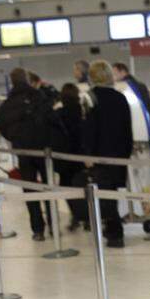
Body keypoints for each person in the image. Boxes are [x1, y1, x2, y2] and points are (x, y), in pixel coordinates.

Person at [80, 60, 133, 248]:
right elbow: (127, 129)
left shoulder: (89, 98)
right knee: (114, 192)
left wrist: (88, 154)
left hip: (100, 153)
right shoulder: (121, 97)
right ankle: (113, 228)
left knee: (105, 193)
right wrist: (127, 152)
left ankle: (115, 232)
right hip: (119, 152)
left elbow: (88, 129)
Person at [0, 67, 53, 241]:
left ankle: (38, 229)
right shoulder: (38, 96)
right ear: (27, 79)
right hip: (43, 150)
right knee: (48, 187)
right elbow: (49, 119)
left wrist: (16, 139)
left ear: (12, 82)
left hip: (23, 151)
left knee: (29, 190)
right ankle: (53, 224)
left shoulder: (7, 104)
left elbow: (3, 129)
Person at [51, 82, 87, 232]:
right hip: (81, 157)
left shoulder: (58, 115)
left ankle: (76, 216)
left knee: (67, 188)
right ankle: (88, 217)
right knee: (84, 188)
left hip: (64, 158)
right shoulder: (84, 113)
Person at [112, 62, 150, 136]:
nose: (113, 78)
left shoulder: (125, 87)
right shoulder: (138, 85)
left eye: (114, 74)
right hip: (146, 127)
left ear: (123, 72)